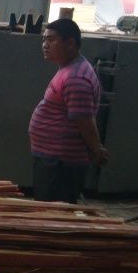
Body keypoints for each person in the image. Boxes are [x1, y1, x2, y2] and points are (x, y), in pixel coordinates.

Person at [28, 19, 109, 203]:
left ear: (70, 43)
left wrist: (96, 149)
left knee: (54, 212)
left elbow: (85, 121)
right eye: (44, 39)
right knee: (46, 207)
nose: (45, 45)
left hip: (61, 163)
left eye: (51, 40)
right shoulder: (70, 69)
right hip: (54, 159)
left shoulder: (76, 78)